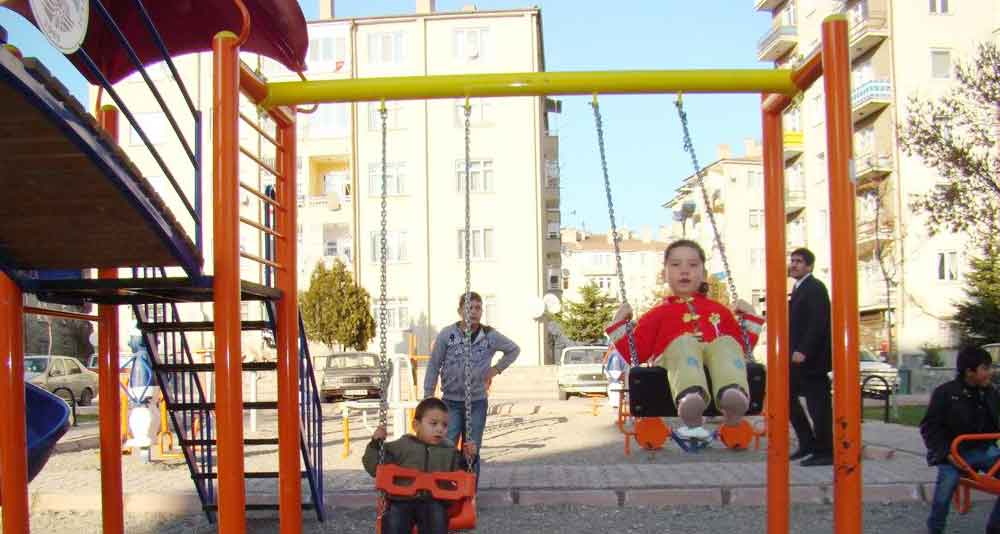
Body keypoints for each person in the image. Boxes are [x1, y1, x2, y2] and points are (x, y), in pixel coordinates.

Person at [605, 239, 764, 440]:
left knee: (726, 343)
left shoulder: (719, 311)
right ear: (665, 274)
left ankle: (732, 395)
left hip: (717, 365)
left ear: (704, 274)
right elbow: (635, 352)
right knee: (684, 343)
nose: (685, 270)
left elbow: (741, 349)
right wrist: (619, 321)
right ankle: (690, 399)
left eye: (693, 265)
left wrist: (750, 314)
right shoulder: (657, 314)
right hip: (675, 368)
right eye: (676, 264)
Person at [423, 291, 520, 480]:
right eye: (469, 308)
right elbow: (434, 364)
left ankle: (469, 494)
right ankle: (446, 487)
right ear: (460, 311)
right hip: (450, 402)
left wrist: (496, 369)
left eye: (478, 308)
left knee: (472, 448)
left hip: (476, 402)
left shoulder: (489, 335)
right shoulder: (447, 334)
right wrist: (428, 395)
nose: (474, 312)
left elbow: (513, 350)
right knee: (447, 445)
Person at [362, 397, 477, 534]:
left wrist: (468, 458)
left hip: (435, 501)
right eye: (434, 424)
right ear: (416, 425)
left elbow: (461, 471)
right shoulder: (402, 446)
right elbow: (374, 466)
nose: (440, 429)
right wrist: (375, 443)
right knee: (394, 520)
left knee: (437, 518)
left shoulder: (448, 450)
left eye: (444, 425)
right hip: (403, 500)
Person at [920, 346, 1000, 534]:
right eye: (985, 368)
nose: (990, 372)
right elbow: (929, 427)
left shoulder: (990, 393)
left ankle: (995, 528)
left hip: (984, 449)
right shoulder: (946, 393)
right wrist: (945, 453)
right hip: (955, 453)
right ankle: (935, 528)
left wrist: (987, 396)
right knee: (943, 494)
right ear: (969, 372)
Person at [787, 247, 833, 467]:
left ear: (809, 266)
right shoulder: (798, 288)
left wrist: (804, 350)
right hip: (797, 359)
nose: (794, 264)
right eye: (792, 260)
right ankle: (807, 443)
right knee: (787, 398)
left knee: (818, 406)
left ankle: (825, 450)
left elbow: (818, 322)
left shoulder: (815, 288)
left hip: (811, 361)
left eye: (799, 261)